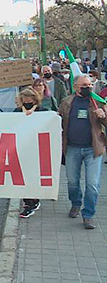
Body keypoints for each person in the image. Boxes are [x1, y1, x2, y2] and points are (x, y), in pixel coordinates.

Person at [59, 74, 107, 229]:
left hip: (93, 148)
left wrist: (103, 116)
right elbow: (57, 120)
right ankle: (75, 203)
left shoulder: (98, 101)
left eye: (89, 85)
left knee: (92, 184)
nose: (88, 88)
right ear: (75, 87)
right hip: (72, 148)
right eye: (84, 85)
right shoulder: (66, 102)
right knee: (73, 181)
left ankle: (88, 214)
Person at [10, 87, 47, 218]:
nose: (27, 102)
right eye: (24, 99)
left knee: (33, 176)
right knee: (22, 177)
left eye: (29, 99)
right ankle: (28, 202)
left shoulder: (43, 112)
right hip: (21, 149)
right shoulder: (17, 111)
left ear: (34, 99)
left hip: (37, 149)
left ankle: (34, 200)